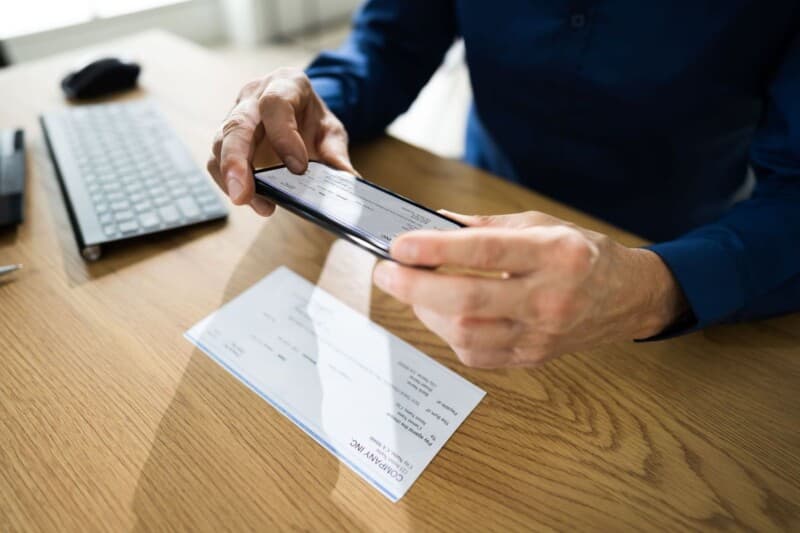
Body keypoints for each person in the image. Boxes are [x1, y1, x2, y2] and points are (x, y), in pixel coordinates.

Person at [207, 1, 800, 368]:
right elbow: (388, 44)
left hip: (680, 254)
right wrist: (317, 100)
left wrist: (654, 290)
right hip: (473, 215)